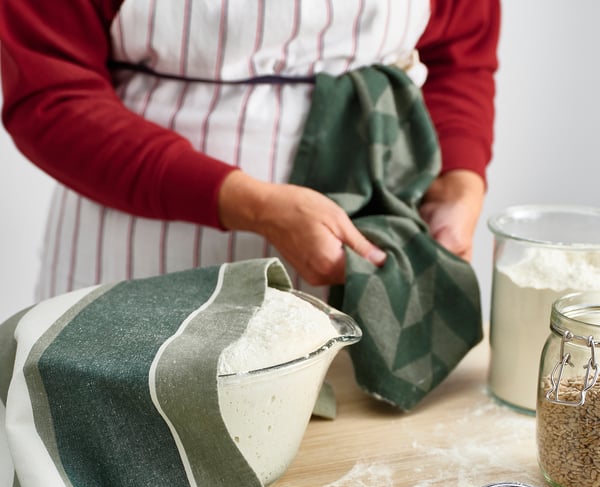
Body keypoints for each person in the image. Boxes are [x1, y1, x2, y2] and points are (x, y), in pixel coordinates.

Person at [0, 1, 500, 300]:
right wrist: (252, 205)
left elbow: (461, 52)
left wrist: (459, 181)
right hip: (142, 261)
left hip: (367, 261)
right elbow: (52, 93)